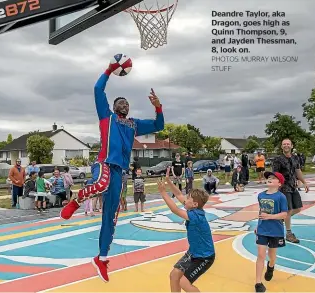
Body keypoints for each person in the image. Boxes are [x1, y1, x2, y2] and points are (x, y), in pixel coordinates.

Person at [60, 63, 164, 282]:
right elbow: (98, 90)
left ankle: (102, 258)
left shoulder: (134, 124)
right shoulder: (106, 117)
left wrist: (158, 107)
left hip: (121, 172)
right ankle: (77, 200)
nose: (124, 104)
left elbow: (158, 126)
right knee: (101, 184)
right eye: (120, 102)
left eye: (126, 102)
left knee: (112, 214)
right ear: (114, 106)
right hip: (104, 163)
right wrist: (109, 70)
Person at [158, 167, 215, 293]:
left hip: (204, 257)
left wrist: (163, 193)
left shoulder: (196, 216)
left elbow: (175, 210)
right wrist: (168, 181)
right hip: (193, 252)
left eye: (188, 198)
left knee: (183, 281)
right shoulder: (192, 207)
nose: (185, 199)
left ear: (194, 204)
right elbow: (178, 194)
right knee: (174, 276)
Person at [254, 171, 288, 293]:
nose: (269, 179)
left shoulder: (281, 197)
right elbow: (261, 212)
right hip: (262, 230)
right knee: (261, 255)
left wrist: (270, 217)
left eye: (273, 178)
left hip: (275, 231)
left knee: (272, 256)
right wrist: (258, 225)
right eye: (268, 177)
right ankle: (258, 283)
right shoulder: (261, 195)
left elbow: (284, 214)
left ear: (279, 183)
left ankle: (271, 266)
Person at [272, 138, 309, 243]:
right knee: (288, 210)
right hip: (283, 188)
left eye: (288, 144)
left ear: (292, 146)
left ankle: (280, 219)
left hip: (293, 187)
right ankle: (288, 233)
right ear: (281, 146)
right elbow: (275, 174)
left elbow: (298, 171)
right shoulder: (278, 159)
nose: (286, 145)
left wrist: (304, 182)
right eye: (284, 144)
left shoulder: (295, 158)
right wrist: (276, 187)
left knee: (298, 208)